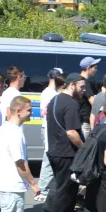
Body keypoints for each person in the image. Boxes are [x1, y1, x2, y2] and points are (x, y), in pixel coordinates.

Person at [44, 73, 86, 212]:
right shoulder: (71, 104)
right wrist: (84, 148)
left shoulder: (55, 99)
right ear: (72, 85)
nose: (83, 90)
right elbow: (71, 133)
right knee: (66, 191)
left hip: (55, 150)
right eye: (81, 87)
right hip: (66, 152)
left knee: (63, 188)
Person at [34, 67, 65, 203]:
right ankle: (43, 189)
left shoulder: (47, 92)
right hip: (48, 128)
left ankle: (48, 187)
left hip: (48, 128)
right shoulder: (49, 93)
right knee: (48, 158)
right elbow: (44, 113)